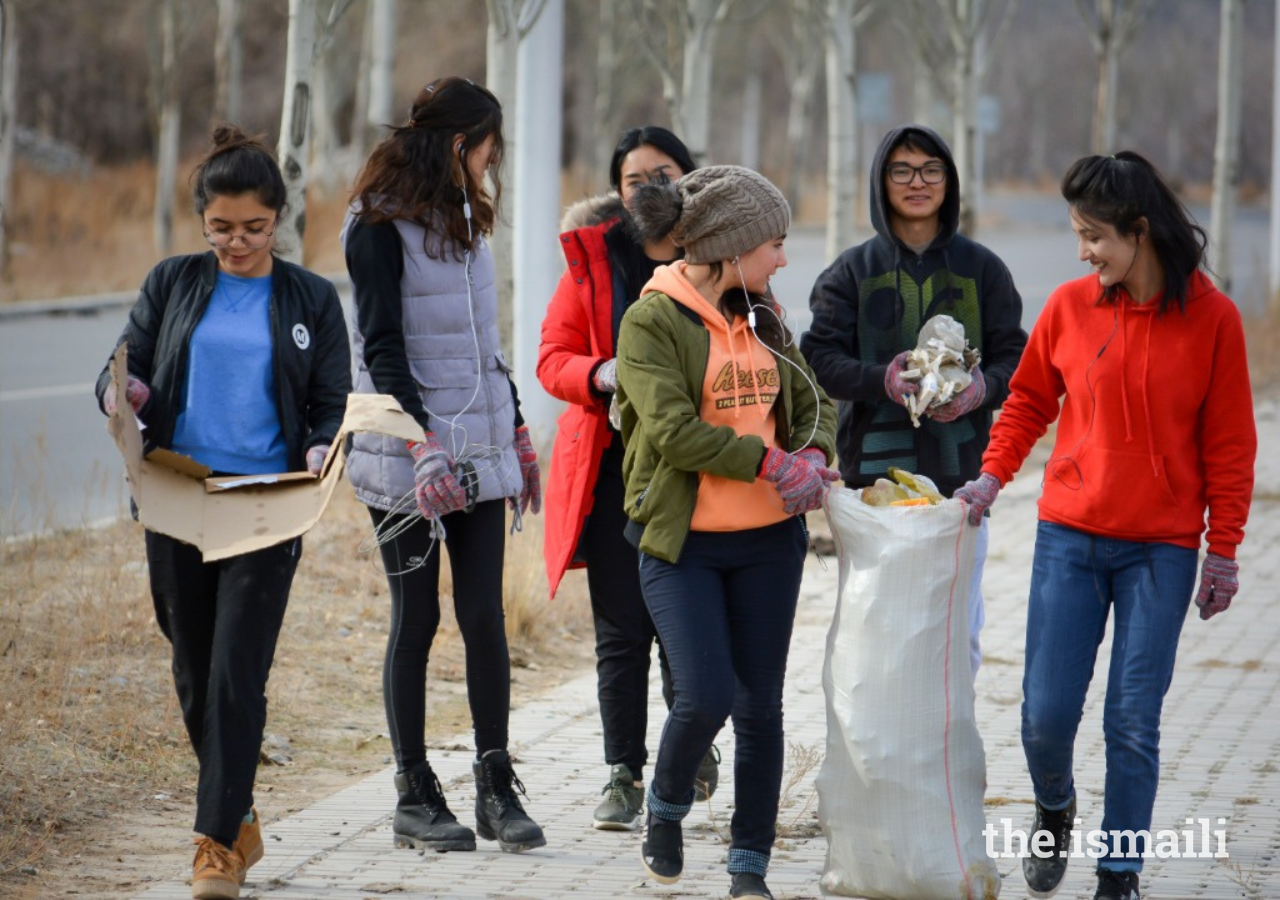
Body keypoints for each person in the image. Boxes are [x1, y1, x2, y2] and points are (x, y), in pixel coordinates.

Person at [954, 151, 1257, 900]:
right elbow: (1028, 400)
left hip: (1161, 548)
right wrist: (993, 476)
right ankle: (1054, 806)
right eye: (1078, 235)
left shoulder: (1213, 318)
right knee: (1045, 718)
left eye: (1095, 236)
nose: (1084, 252)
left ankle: (1118, 873)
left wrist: (1223, 551)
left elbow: (1230, 444)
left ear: (1140, 232)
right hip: (1069, 537)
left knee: (1131, 720)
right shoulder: (1068, 306)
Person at [94, 125, 352, 900]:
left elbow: (330, 401)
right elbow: (120, 367)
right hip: (178, 495)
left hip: (269, 506)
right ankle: (238, 813)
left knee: (238, 670)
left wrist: (318, 450)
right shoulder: (172, 282)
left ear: (280, 219)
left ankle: (213, 848)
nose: (236, 244)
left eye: (254, 229)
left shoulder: (310, 297)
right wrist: (123, 396)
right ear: (201, 221)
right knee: (193, 668)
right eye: (221, 229)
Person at [616, 165, 839, 900]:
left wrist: (813, 454)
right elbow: (676, 433)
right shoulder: (651, 321)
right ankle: (667, 803)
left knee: (760, 708)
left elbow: (813, 401)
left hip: (769, 544)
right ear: (734, 245)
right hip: (686, 544)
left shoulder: (762, 311)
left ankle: (750, 866)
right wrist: (770, 461)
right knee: (704, 693)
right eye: (774, 242)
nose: (782, 257)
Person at [339, 76, 545, 856]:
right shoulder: (374, 227)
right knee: (417, 618)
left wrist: (518, 430)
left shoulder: (465, 218)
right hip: (406, 459)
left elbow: (480, 346)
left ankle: (495, 785)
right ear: (461, 143)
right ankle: (413, 793)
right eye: (489, 146)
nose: (494, 161)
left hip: (481, 451)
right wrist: (421, 445)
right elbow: (383, 347)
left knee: (483, 617)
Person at [536, 125, 720, 831]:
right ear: (617, 194)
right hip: (614, 469)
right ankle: (623, 773)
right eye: (634, 180)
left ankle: (691, 736)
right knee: (621, 628)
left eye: (663, 172)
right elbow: (552, 357)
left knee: (685, 615)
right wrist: (600, 373)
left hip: (698, 467)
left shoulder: (720, 256)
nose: (650, 188)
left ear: (690, 176)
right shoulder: (592, 262)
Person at [801, 124, 1027, 676]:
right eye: (901, 170)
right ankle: (881, 757)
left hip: (960, 484)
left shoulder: (984, 269)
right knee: (875, 630)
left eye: (931, 170)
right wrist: (880, 379)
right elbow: (817, 358)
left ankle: (945, 752)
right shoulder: (852, 271)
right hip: (872, 485)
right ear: (881, 183)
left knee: (956, 632)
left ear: (949, 182)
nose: (917, 182)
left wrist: (980, 390)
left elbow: (1017, 356)